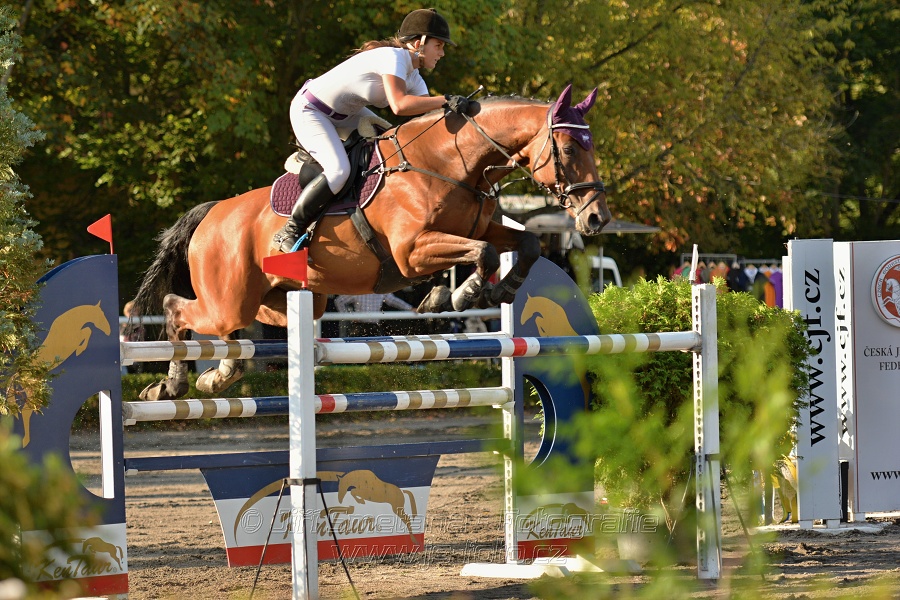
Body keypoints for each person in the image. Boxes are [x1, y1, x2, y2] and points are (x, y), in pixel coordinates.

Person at [273, 8, 472, 253]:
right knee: (339, 170)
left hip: (347, 115)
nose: (442, 54)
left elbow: (427, 122)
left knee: (390, 141)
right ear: (419, 43)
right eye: (439, 46)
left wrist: (461, 113)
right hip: (311, 110)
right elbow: (399, 105)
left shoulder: (416, 78)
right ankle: (290, 229)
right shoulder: (394, 57)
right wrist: (445, 99)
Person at [334, 293, 415, 338]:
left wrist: (410, 308)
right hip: (359, 326)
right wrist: (349, 317)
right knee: (358, 351)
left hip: (374, 326)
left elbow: (394, 301)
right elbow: (339, 301)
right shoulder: (359, 290)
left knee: (376, 351)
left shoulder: (380, 291)